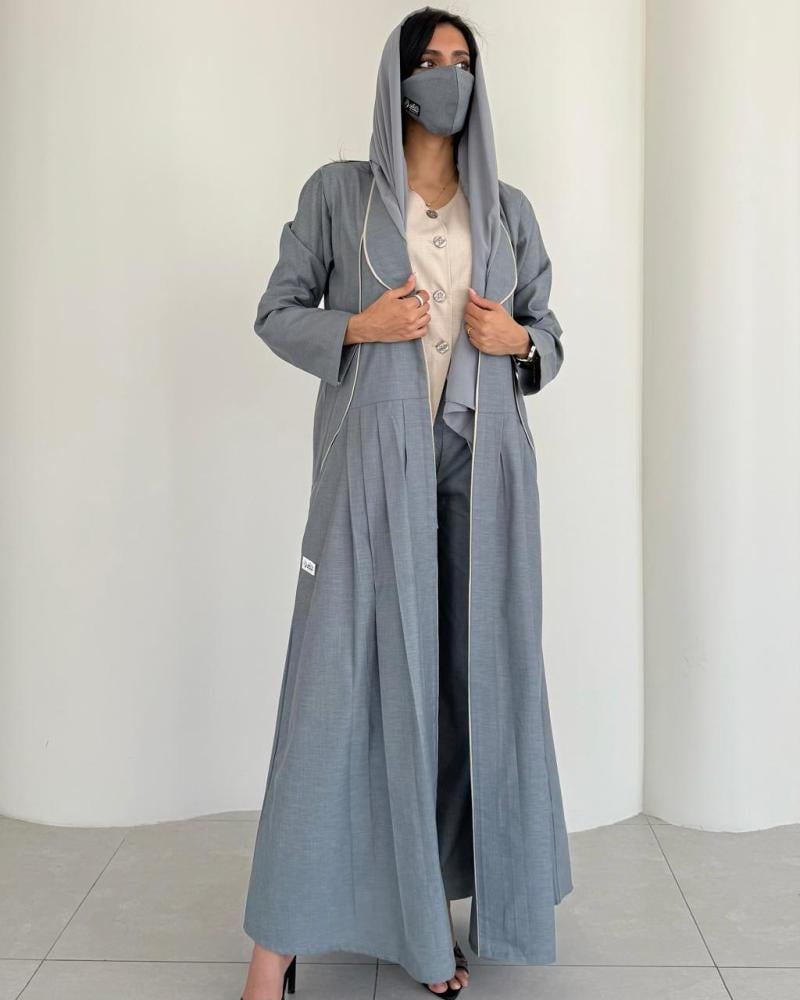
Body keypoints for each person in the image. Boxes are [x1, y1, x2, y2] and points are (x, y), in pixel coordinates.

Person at [240, 7, 572, 999]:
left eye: (462, 62)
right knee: (334, 688)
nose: (447, 77)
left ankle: (427, 926)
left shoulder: (506, 208)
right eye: (429, 60)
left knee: (465, 688)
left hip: (483, 469)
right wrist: (358, 325)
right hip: (368, 474)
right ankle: (273, 953)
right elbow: (276, 312)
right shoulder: (339, 193)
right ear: (396, 76)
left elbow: (546, 331)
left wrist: (520, 344)